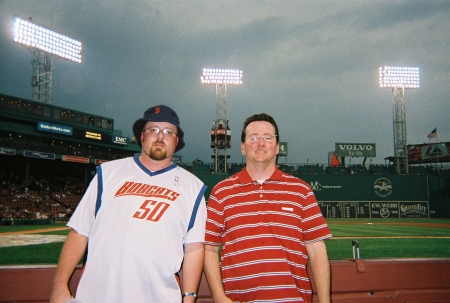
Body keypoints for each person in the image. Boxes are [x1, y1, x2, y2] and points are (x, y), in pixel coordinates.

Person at [50, 105, 207, 303]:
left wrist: (189, 297)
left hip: (159, 297)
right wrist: (59, 286)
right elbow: (80, 231)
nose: (160, 136)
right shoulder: (107, 173)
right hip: (97, 296)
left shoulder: (193, 187)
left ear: (176, 141)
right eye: (153, 130)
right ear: (142, 136)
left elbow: (193, 247)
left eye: (168, 132)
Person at [204, 113, 332, 303]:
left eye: (268, 137)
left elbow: (317, 250)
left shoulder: (301, 190)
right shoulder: (221, 191)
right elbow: (210, 248)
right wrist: (219, 297)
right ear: (242, 147)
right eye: (253, 137)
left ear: (277, 147)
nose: (261, 143)